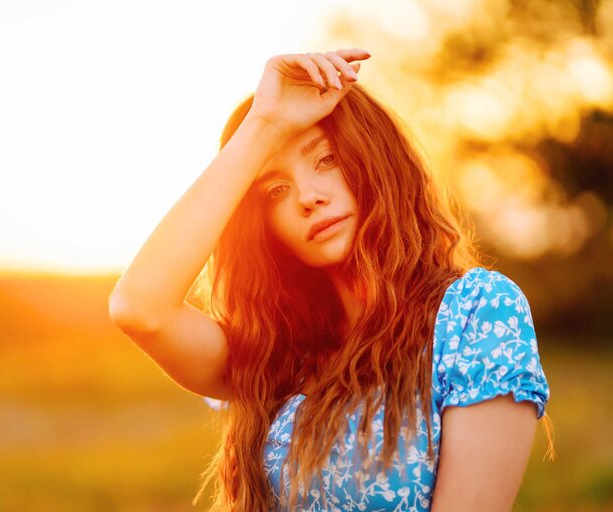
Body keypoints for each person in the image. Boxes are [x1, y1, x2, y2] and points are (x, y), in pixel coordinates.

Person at [108, 48, 555, 511]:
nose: (307, 198)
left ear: (374, 159)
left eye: (324, 160)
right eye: (275, 190)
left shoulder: (476, 311)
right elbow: (140, 308)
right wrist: (261, 124)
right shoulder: (274, 350)